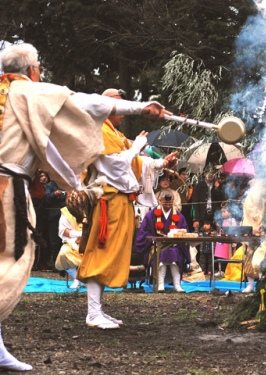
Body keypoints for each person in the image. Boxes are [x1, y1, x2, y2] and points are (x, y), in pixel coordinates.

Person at [0, 42, 166, 371]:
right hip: (6, 190)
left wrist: (71, 183)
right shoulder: (25, 92)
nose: (41, 74)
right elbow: (81, 102)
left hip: (11, 183)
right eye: (39, 70)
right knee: (10, 263)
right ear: (32, 70)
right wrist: (140, 107)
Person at [76, 88, 176, 329]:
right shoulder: (100, 129)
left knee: (110, 255)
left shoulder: (115, 133)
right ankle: (93, 312)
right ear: (107, 107)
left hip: (120, 201)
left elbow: (136, 162)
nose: (122, 112)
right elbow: (116, 165)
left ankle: (98, 310)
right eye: (119, 107)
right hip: (108, 201)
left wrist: (161, 162)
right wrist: (138, 145)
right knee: (101, 253)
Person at [133, 191, 190, 292]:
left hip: (174, 246)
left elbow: (184, 231)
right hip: (155, 246)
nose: (168, 205)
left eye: (170, 203)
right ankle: (160, 284)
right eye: (165, 203)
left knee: (174, 252)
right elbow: (144, 232)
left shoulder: (179, 216)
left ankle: (177, 285)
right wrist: (154, 240)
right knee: (162, 253)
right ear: (159, 201)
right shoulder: (151, 215)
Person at [39, 170, 66, 264]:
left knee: (65, 239)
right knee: (54, 241)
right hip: (53, 216)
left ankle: (65, 262)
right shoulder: (50, 185)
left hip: (66, 216)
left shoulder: (66, 184)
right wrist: (53, 194)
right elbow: (45, 200)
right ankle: (56, 262)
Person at [55, 207, 83, 289]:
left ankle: (90, 279)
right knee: (63, 253)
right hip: (72, 242)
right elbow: (63, 231)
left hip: (91, 243)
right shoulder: (66, 211)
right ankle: (77, 278)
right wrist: (79, 234)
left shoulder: (93, 207)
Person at [214, 206, 239, 277]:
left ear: (230, 212)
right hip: (222, 242)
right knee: (220, 256)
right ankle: (220, 270)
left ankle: (227, 271)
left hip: (228, 241)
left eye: (225, 211)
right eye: (222, 212)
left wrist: (235, 241)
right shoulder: (223, 221)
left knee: (228, 256)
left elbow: (235, 231)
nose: (223, 214)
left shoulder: (232, 220)